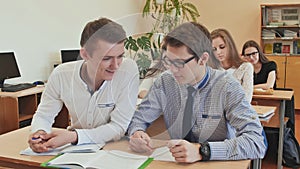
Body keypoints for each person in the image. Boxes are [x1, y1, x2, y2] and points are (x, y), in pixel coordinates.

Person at [127, 22, 266, 163]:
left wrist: (203, 151)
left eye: (180, 63)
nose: (172, 69)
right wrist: (137, 133)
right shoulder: (165, 82)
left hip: (217, 164)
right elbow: (138, 119)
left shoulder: (227, 86)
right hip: (176, 163)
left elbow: (256, 142)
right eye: (168, 61)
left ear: (203, 59)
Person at [28, 17, 139, 153]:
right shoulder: (61, 75)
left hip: (115, 147)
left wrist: (74, 136)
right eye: (106, 58)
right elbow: (44, 115)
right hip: (76, 150)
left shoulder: (128, 70)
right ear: (85, 54)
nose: (115, 65)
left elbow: (118, 127)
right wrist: (40, 134)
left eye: (120, 56)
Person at [211, 29, 253, 103]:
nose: (218, 52)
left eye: (222, 47)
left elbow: (246, 100)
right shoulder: (211, 69)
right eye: (214, 49)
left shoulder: (245, 67)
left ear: (230, 46)